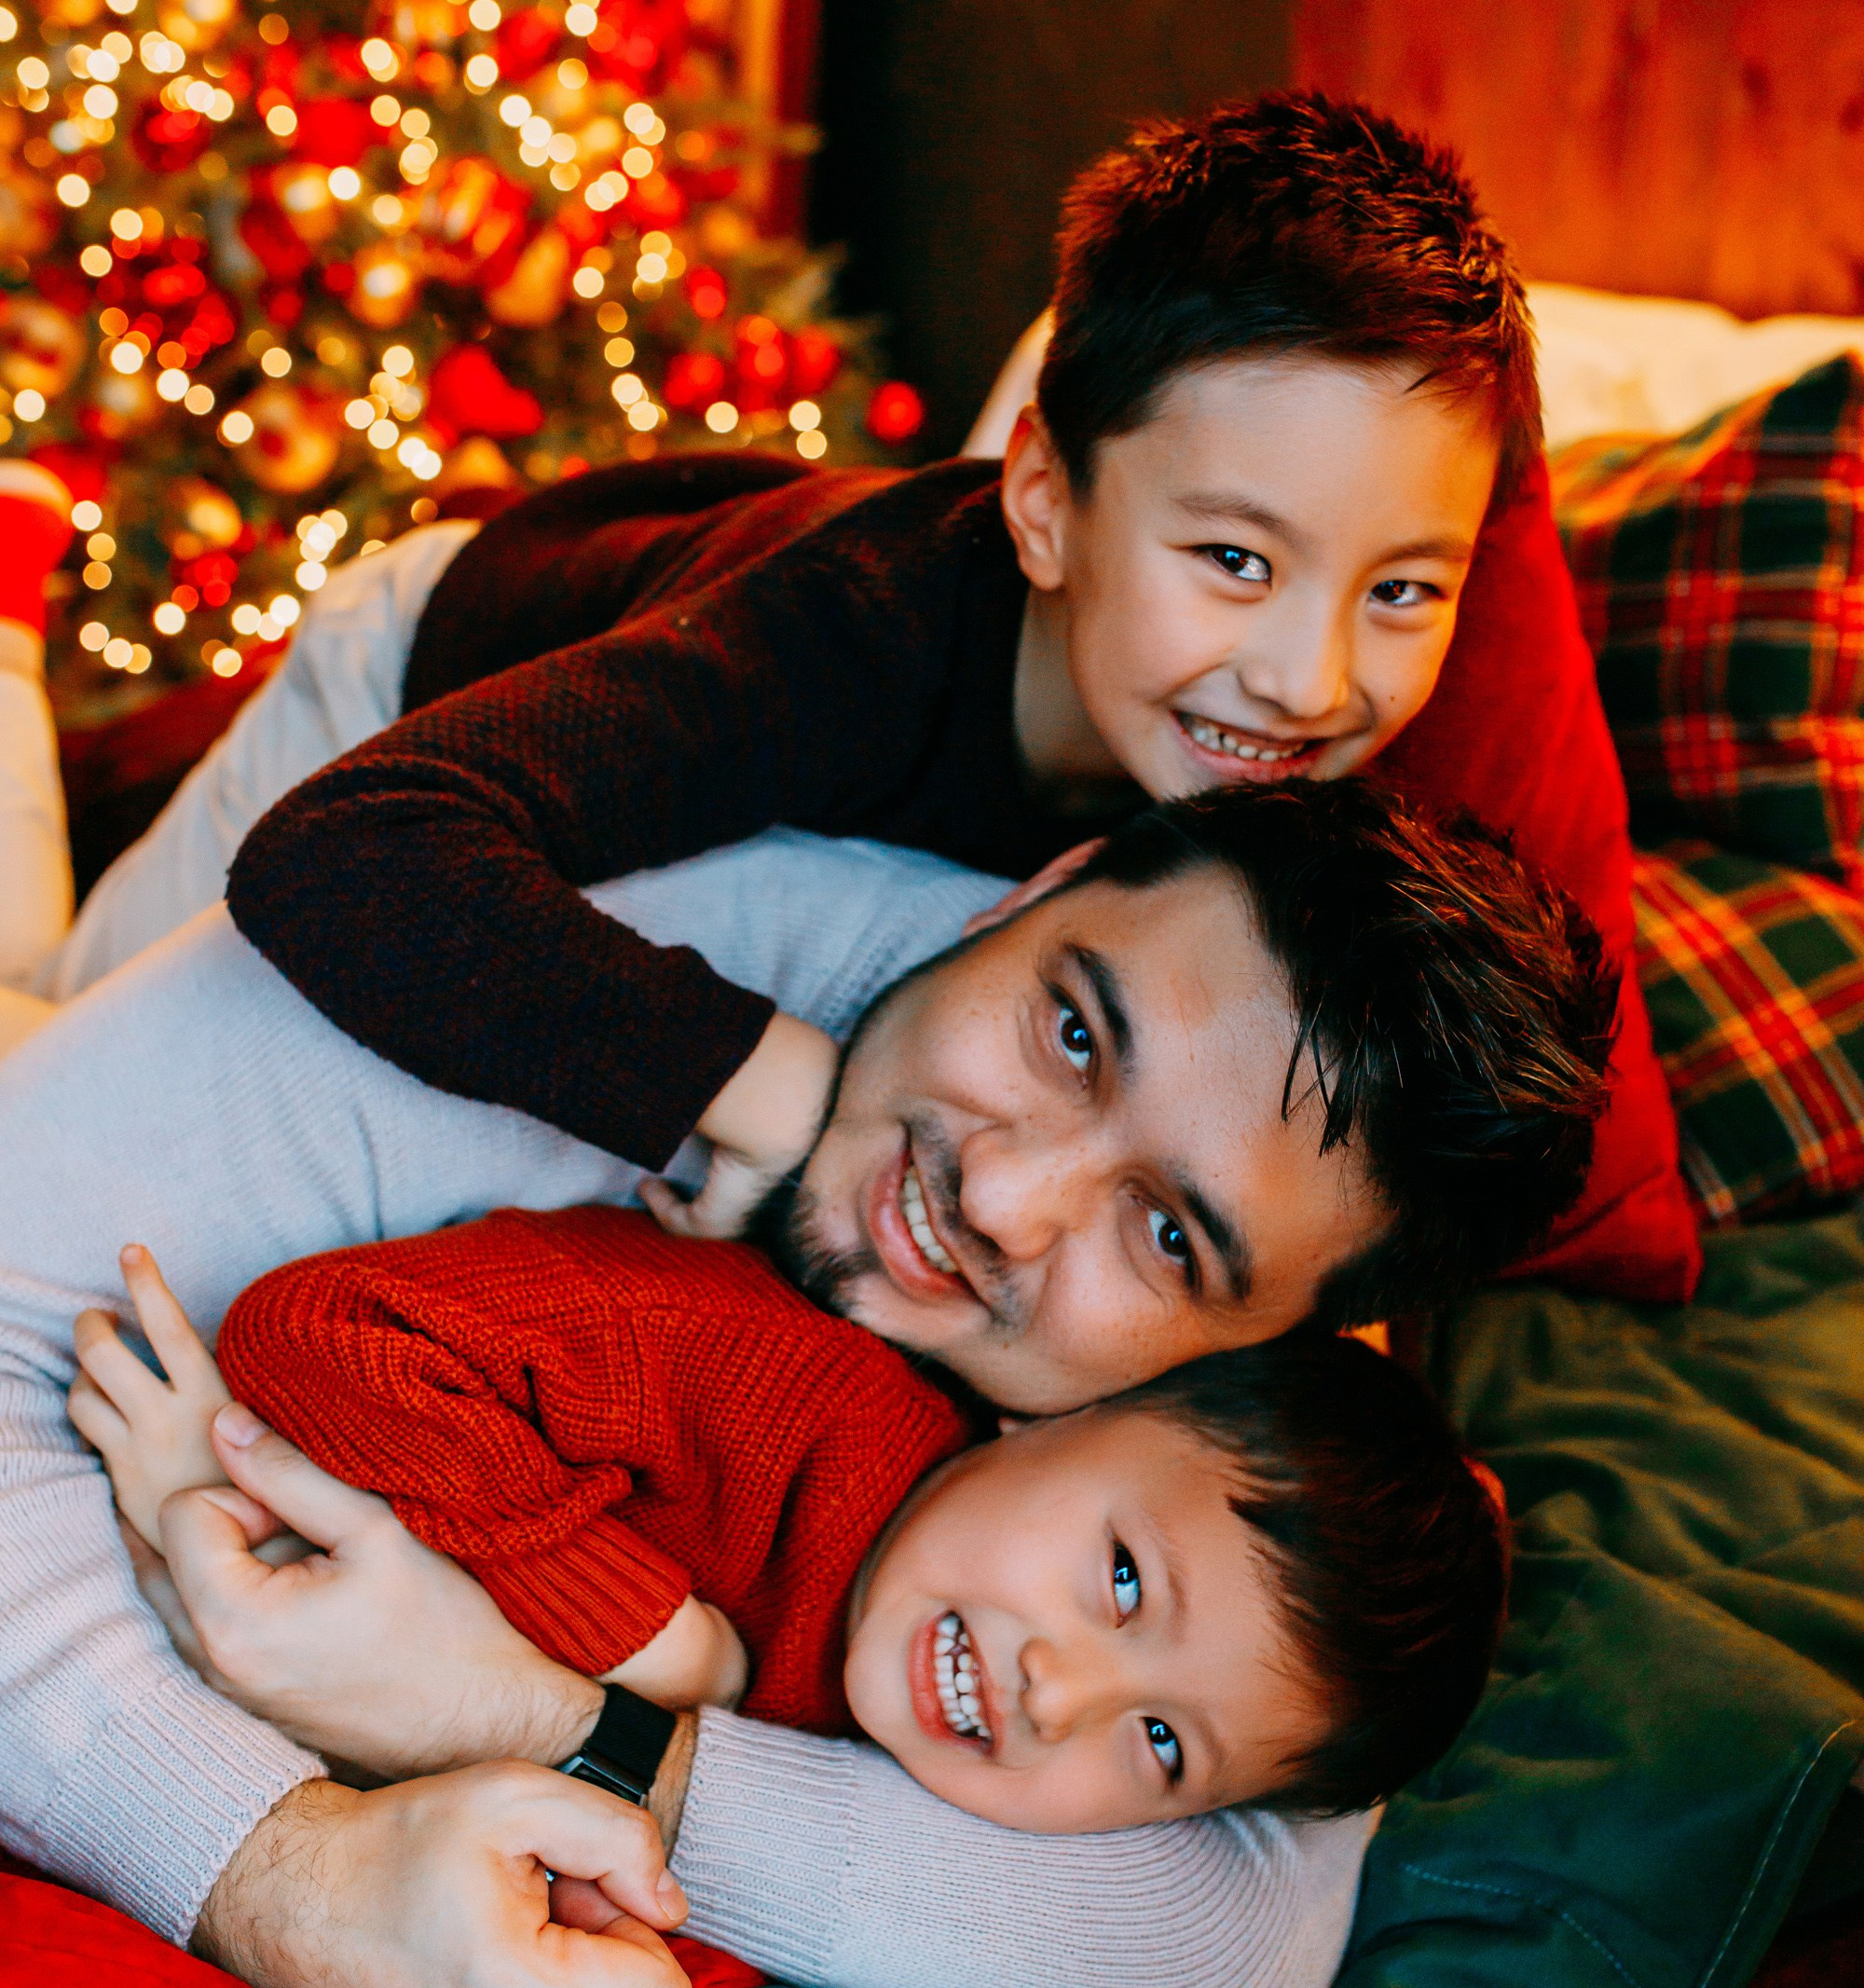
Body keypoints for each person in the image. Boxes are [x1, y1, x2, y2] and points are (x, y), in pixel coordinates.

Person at [0, 782, 1610, 1988]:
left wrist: (534, 1713)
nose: (1001, 1198)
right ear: (1027, 891)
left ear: (1277, 1345)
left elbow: (1220, 1974)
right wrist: (273, 1870)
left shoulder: (1248, 1451)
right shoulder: (590, 935)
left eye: (1171, 1238)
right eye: (1068, 1033)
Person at [0, 93, 1694, 1294]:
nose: (1313, 678)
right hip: (430, 673)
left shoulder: (1297, 767)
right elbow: (347, 854)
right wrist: (759, 1080)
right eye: (1236, 561)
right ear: (1041, 501)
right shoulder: (854, 644)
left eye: (1401, 590)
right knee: (62, 1037)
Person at [72, 1213, 1507, 1855]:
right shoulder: (775, 1389)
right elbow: (327, 1329)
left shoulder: (891, 1769)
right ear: (1063, 1405)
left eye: (1161, 1749)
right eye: (1122, 1579)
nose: (1057, 1692)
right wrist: (637, 1631)